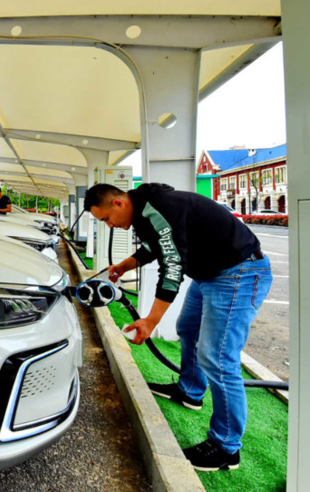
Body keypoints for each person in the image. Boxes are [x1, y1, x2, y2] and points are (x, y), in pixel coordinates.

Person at [85, 182, 272, 472]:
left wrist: (151, 320)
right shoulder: (145, 211)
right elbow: (156, 246)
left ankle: (226, 447)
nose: (109, 226)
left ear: (119, 203)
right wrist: (127, 264)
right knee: (187, 328)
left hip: (238, 273)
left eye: (106, 219)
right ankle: (190, 391)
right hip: (210, 274)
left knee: (218, 357)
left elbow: (172, 267)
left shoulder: (159, 210)